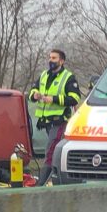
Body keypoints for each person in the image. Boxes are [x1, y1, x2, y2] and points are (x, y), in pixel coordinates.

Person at [29, 49, 81, 186]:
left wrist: (54, 99)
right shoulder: (44, 75)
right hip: (45, 122)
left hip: (59, 121)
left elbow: (75, 98)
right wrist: (34, 95)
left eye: (54, 58)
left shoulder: (68, 77)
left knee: (50, 151)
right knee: (54, 151)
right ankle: (57, 178)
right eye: (50, 57)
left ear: (61, 61)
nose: (50, 60)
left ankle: (40, 184)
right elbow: (33, 90)